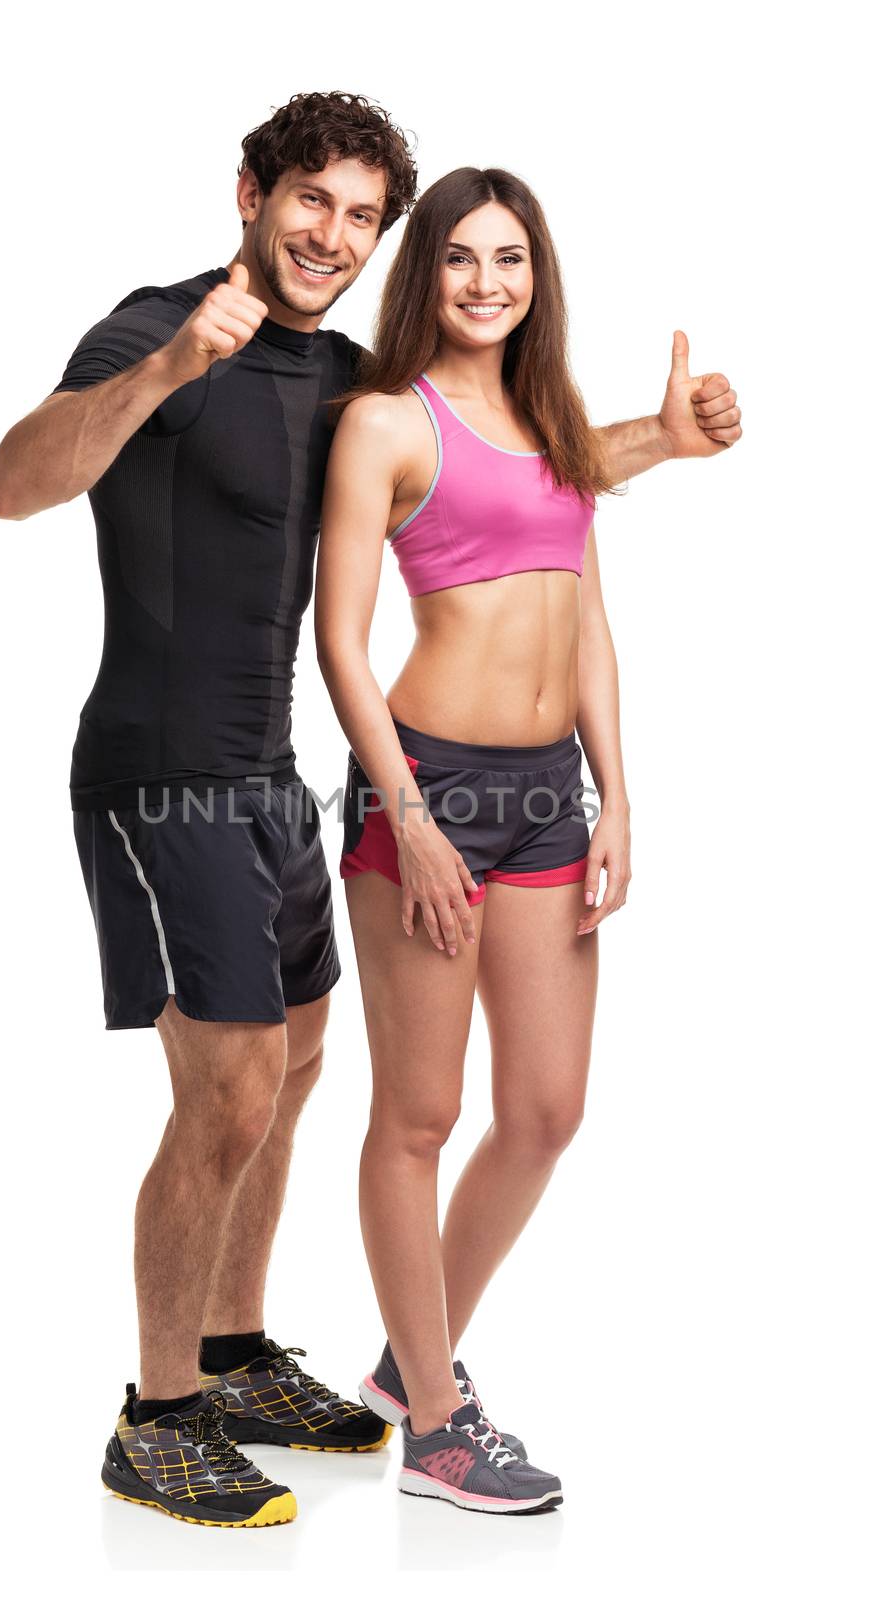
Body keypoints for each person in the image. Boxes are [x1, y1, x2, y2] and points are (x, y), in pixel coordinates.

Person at [0, 91, 741, 1530]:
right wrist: (161, 374)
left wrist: (666, 433)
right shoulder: (156, 325)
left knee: (303, 1066)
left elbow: (499, 467)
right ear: (249, 194)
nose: (329, 235)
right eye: (307, 202)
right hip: (161, 771)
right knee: (230, 1085)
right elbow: (12, 484)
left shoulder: (341, 380)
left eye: (357, 216)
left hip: (270, 774)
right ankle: (156, 1419)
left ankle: (231, 1348)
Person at [315, 165, 740, 1517]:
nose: (485, 282)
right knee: (420, 1115)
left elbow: (585, 617)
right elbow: (338, 639)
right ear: (423, 272)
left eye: (508, 259)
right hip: (425, 788)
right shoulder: (386, 419)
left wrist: (617, 792)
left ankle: (409, 1358)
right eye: (458, 260)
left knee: (546, 1111)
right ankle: (436, 1423)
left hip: (550, 793)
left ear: (534, 274)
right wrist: (412, 821)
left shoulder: (551, 419)